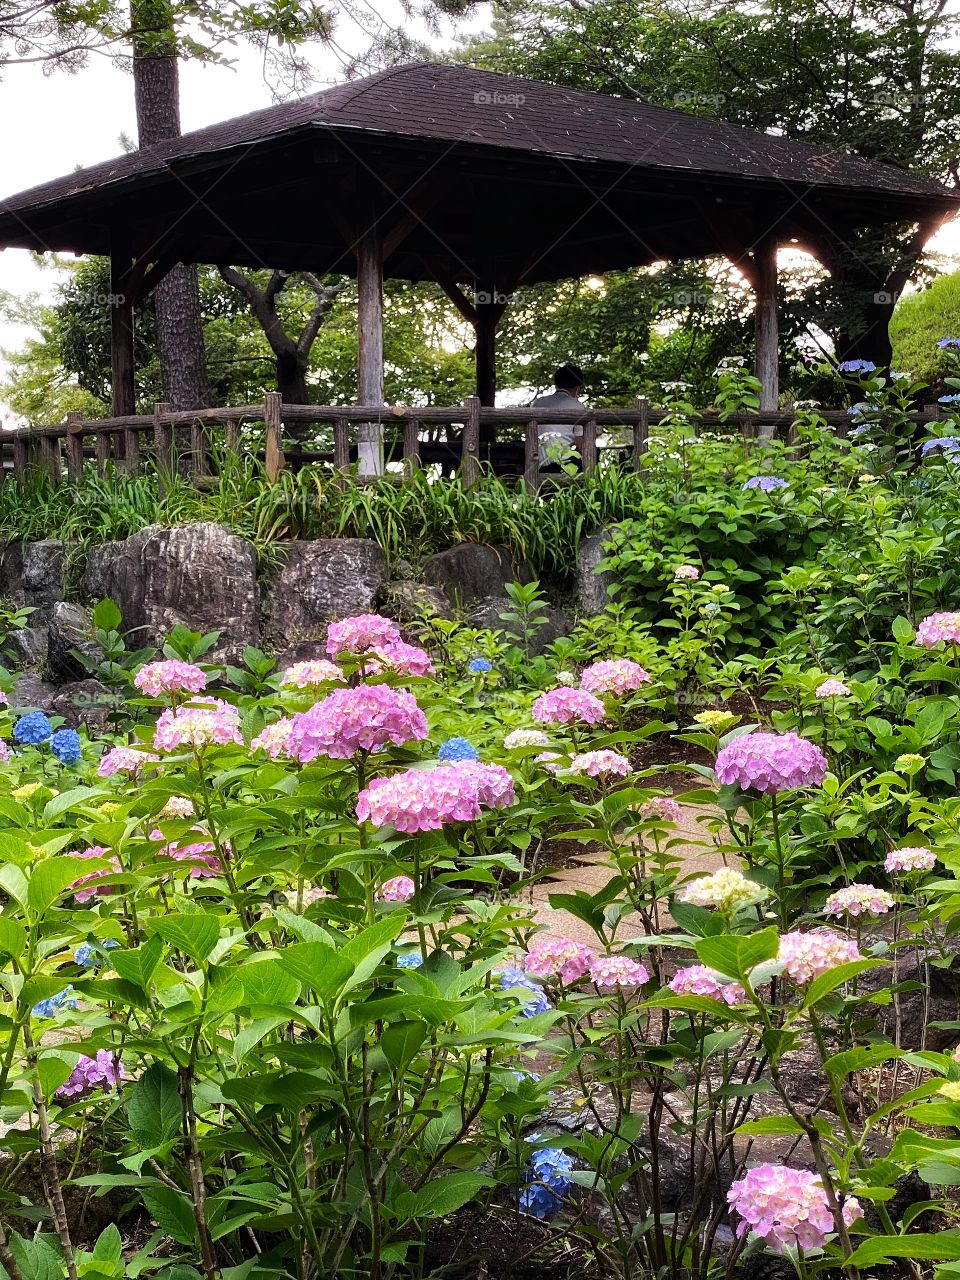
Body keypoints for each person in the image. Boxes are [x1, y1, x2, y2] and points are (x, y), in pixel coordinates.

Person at [532, 363, 586, 467]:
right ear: (577, 387)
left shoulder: (538, 403)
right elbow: (581, 445)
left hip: (538, 464)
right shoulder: (578, 407)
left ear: (556, 385)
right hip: (563, 464)